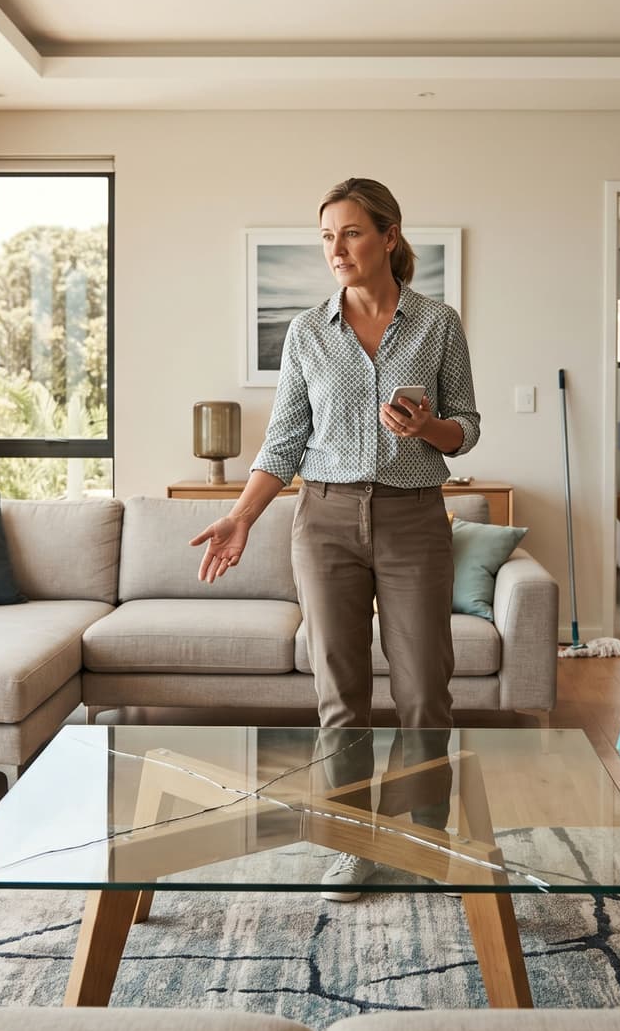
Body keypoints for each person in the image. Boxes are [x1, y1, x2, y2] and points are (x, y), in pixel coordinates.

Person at [189, 177, 480, 901]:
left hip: (414, 518)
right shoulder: (307, 332)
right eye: (326, 236)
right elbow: (283, 442)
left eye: (350, 233)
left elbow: (466, 428)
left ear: (388, 235)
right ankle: (348, 843)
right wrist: (242, 516)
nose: (336, 249)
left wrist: (426, 428)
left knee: (424, 692)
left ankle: (424, 835)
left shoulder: (437, 323)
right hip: (323, 522)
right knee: (340, 695)